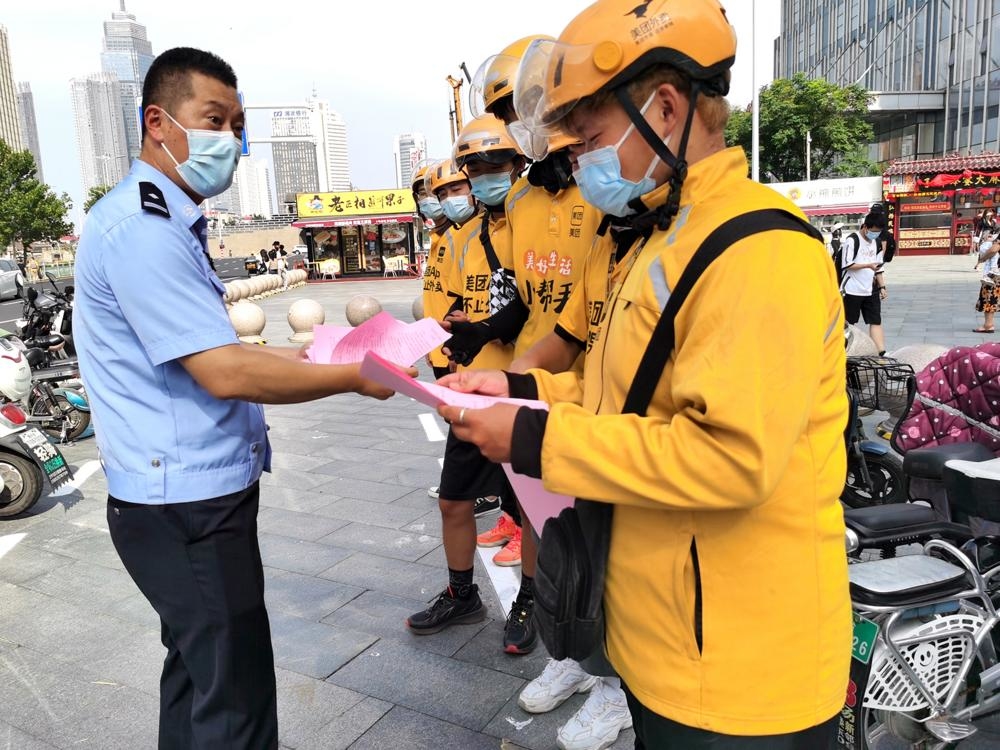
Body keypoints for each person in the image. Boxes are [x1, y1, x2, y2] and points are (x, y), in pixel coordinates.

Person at [438, 1, 851, 745]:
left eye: (590, 137)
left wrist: (533, 441)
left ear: (664, 108)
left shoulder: (757, 250)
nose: (579, 160)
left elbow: (728, 458)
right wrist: (520, 391)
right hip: (667, 643)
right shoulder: (660, 240)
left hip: (740, 670)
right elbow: (621, 391)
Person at [74, 47, 406, 750]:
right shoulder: (143, 228)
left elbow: (218, 351)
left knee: (200, 680)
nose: (230, 140)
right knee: (236, 704)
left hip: (181, 496)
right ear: (158, 122)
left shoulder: (166, 219)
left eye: (237, 124)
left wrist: (326, 353)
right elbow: (225, 371)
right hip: (185, 505)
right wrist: (353, 374)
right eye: (213, 120)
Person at [405, 114, 529, 649]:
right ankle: (462, 595)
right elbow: (445, 308)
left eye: (486, 170)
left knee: (528, 511)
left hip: (526, 386)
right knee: (454, 501)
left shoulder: (535, 226)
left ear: (519, 164)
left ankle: (530, 601)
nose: (475, 184)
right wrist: (440, 365)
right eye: (468, 173)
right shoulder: (460, 241)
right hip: (471, 390)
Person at [841, 208, 888, 354]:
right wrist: (867, 265)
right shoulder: (852, 240)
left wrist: (882, 287)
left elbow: (878, 267)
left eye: (878, 232)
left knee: (875, 320)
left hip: (870, 288)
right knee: (849, 323)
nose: (875, 234)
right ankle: (846, 352)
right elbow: (847, 265)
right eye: (873, 231)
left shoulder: (877, 243)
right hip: (852, 289)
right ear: (865, 227)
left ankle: (881, 352)